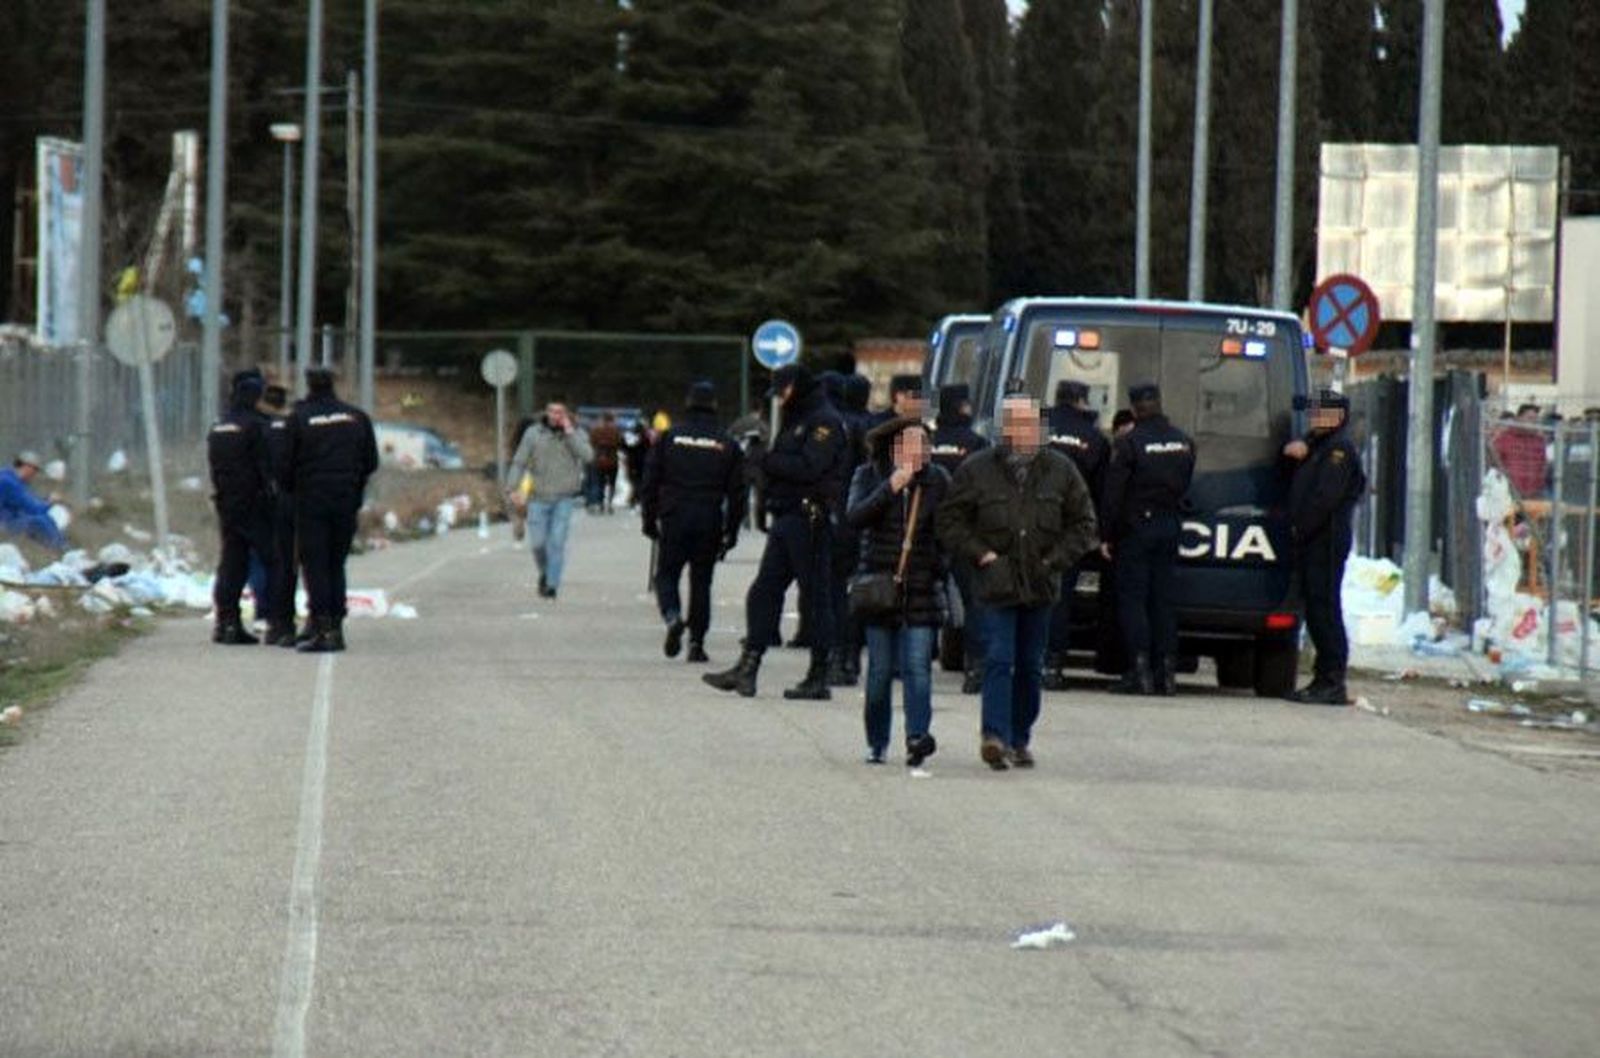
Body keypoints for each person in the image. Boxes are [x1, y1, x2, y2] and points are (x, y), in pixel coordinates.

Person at [936, 395, 1097, 770]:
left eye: (1031, 425)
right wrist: (981, 554)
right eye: (1016, 425)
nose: (1024, 432)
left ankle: (1019, 736)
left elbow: (1084, 525)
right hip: (996, 584)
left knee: (1029, 664)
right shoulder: (977, 470)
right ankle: (994, 736)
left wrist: (1054, 560)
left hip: (1040, 585)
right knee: (998, 657)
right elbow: (949, 521)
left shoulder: (1061, 470)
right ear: (1005, 429)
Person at [703, 364, 850, 699]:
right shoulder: (797, 419)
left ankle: (819, 674)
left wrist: (767, 462)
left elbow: (811, 467)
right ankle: (748, 666)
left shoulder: (823, 421)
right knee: (763, 591)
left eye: (782, 392)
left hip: (810, 515)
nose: (780, 399)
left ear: (795, 388)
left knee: (816, 599)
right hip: (788, 515)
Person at [847, 417, 950, 766]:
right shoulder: (869, 474)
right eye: (911, 445)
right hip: (879, 588)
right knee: (878, 672)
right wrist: (889, 488)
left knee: (918, 668)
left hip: (921, 588)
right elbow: (855, 517)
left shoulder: (938, 481)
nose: (919, 453)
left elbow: (949, 530)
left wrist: (938, 566)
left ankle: (917, 737)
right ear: (894, 449)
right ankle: (877, 740)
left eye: (924, 446)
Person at [1099, 383, 1196, 697]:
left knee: (1134, 601)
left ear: (1135, 408)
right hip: (1170, 524)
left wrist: (1106, 535)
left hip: (1137, 529)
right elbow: (1186, 482)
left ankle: (1139, 672)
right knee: (1164, 602)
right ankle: (1166, 675)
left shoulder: (1129, 444)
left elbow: (1113, 495)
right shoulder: (1183, 442)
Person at [640, 381, 746, 664]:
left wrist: (649, 520)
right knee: (702, 582)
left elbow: (650, 481)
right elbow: (738, 492)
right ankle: (697, 642)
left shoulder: (670, 438)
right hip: (709, 516)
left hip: (674, 514)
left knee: (666, 574)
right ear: (714, 406)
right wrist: (731, 531)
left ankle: (673, 616)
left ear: (687, 404)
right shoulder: (726, 443)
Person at [283, 366, 379, 652]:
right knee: (336, 563)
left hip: (312, 500)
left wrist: (295, 490)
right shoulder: (356, 417)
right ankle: (335, 625)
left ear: (309, 385)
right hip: (346, 499)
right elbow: (371, 461)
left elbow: (284, 464)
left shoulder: (299, 418)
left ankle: (322, 626)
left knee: (316, 564)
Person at [1283, 390, 1367, 705]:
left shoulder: (1338, 452)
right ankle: (1323, 678)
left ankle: (1332, 680)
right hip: (1314, 540)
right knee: (1317, 609)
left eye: (1321, 413)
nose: (1314, 418)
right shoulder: (1320, 445)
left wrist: (1299, 528)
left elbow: (1324, 500)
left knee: (1324, 610)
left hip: (1325, 540)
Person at [1044, 380, 1111, 689]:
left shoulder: (1033, 428)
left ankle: (1021, 659)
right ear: (1082, 402)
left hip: (1027, 525)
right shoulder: (1094, 439)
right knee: (1060, 597)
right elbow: (1101, 492)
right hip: (1069, 531)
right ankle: (1053, 665)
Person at [930, 383, 990, 694]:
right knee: (973, 602)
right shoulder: (976, 443)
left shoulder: (929, 442)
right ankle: (976, 667)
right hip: (964, 532)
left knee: (919, 597)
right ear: (963, 407)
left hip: (926, 532)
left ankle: (910, 661)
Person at [208, 370, 275, 645]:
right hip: (255, 502)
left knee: (231, 562)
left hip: (226, 501)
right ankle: (272, 619)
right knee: (271, 559)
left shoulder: (219, 426)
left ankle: (226, 621)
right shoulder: (257, 425)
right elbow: (267, 465)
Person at [506, 401, 594, 599]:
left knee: (557, 541)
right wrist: (512, 487)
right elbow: (519, 461)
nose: (556, 415)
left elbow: (588, 456)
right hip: (538, 496)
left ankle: (552, 584)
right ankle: (545, 573)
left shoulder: (576, 434)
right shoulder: (534, 433)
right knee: (538, 543)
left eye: (560, 412)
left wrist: (570, 433)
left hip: (564, 497)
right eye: (553, 411)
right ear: (547, 412)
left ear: (567, 414)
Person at [827, 373, 876, 686]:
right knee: (860, 588)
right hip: (868, 515)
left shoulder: (837, 425)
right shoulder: (874, 427)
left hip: (840, 515)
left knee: (835, 589)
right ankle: (853, 656)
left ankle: (838, 654)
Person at [260, 384, 299, 646]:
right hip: (292, 499)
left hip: (263, 501)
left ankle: (276, 621)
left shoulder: (260, 428)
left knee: (274, 563)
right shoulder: (293, 428)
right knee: (293, 563)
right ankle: (294, 623)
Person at [0, 450, 66, 551]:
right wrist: (50, 501)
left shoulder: (13, 480)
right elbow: (33, 509)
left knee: (45, 518)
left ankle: (64, 547)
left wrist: (45, 502)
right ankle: (60, 550)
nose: (35, 474)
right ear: (27, 467)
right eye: (35, 470)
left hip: (9, 521)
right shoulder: (8, 482)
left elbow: (29, 504)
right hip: (4, 525)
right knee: (39, 522)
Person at [1491, 403, 1548, 498]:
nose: (1533, 422)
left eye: (1536, 419)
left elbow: (1543, 465)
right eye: (1530, 418)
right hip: (1509, 493)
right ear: (1518, 418)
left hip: (1534, 494)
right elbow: (1494, 463)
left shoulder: (1539, 441)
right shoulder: (1505, 438)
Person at [589, 412, 624, 513]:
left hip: (599, 460)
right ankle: (609, 503)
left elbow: (591, 442)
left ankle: (600, 503)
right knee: (612, 483)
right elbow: (620, 443)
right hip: (612, 460)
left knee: (599, 483)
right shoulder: (616, 431)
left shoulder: (595, 430)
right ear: (612, 420)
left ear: (603, 419)